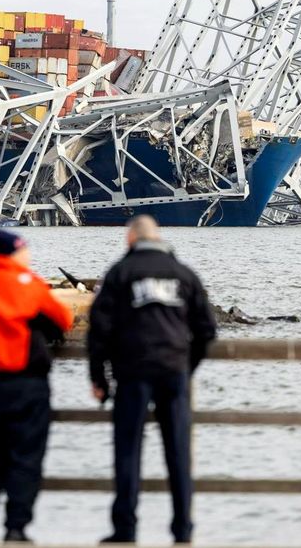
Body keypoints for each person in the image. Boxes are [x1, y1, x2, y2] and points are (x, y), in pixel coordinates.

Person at [88, 215, 217, 545]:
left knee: (128, 452)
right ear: (159, 238)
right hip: (174, 372)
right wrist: (188, 366)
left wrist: (98, 376)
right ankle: (183, 531)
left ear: (130, 240)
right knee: (178, 454)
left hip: (132, 372)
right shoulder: (184, 274)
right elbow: (206, 330)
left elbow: (99, 330)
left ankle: (125, 529)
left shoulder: (119, 273)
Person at [0, 229, 74, 544]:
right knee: (25, 458)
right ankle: (16, 529)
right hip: (26, 384)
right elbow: (64, 318)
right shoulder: (28, 284)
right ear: (16, 253)